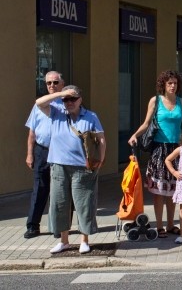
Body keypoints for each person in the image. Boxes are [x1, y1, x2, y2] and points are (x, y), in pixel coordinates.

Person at [36, 85, 106, 254]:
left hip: (82, 167)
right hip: (58, 166)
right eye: (66, 100)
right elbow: (39, 103)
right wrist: (61, 93)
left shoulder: (90, 116)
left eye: (72, 99)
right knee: (60, 204)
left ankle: (84, 240)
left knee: (84, 204)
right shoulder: (56, 112)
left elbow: (101, 139)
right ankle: (64, 241)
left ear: (80, 100)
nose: (69, 102)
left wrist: (100, 161)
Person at [128, 70, 182, 238]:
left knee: (172, 189)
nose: (172, 86)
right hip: (159, 149)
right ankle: (160, 226)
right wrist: (135, 135)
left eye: (175, 83)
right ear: (163, 84)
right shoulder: (155, 101)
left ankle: (170, 224)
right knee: (158, 190)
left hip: (176, 149)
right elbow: (146, 123)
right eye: (169, 83)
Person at [23, 71, 65, 239]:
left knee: (60, 190)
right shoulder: (38, 105)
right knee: (40, 188)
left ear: (62, 84)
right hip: (42, 150)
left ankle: (60, 228)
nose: (52, 86)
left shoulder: (67, 103)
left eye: (55, 82)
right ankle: (33, 226)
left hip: (61, 151)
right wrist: (29, 154)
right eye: (48, 83)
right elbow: (32, 133)